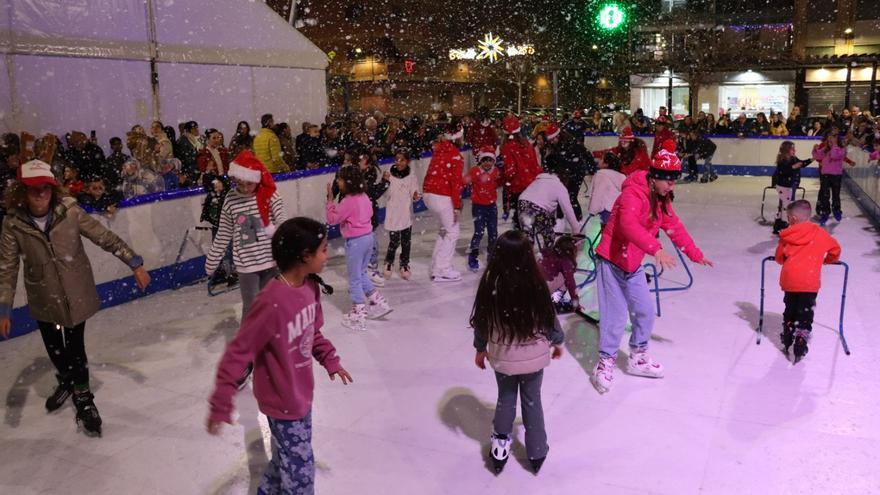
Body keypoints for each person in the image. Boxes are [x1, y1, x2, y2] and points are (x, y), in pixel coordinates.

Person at [0, 159, 150, 436]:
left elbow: (104, 237)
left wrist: (135, 263)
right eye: (33, 189)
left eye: (45, 187)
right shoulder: (14, 223)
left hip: (74, 291)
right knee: (55, 348)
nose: (40, 194)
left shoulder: (69, 211)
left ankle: (84, 398)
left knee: (75, 348)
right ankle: (67, 380)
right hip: (43, 295)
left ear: (52, 188)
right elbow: (7, 267)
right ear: (22, 192)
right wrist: (5, 306)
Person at [207, 217, 352, 494]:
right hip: (280, 399)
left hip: (301, 394)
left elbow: (314, 333)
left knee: (287, 458)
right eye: (322, 249)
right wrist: (221, 401)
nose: (328, 253)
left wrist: (330, 359)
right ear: (304, 256)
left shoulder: (310, 288)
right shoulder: (270, 301)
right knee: (300, 471)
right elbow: (238, 353)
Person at [591, 140, 713, 394]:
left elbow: (674, 227)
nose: (673, 185)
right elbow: (628, 225)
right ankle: (605, 361)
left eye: (675, 180)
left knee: (645, 311)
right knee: (615, 316)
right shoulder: (632, 194)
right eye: (669, 180)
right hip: (612, 261)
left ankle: (638, 355)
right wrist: (655, 249)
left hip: (632, 263)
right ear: (655, 177)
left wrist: (694, 253)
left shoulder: (661, 199)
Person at [470, 230, 564, 475]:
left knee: (506, 399)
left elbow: (482, 321)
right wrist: (558, 342)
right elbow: (549, 319)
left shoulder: (492, 285)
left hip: (503, 358)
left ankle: (500, 448)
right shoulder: (536, 283)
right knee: (532, 401)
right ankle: (536, 449)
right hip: (533, 360)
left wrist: (481, 349)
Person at [205, 151, 286, 324]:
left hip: (270, 261)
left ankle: (273, 338)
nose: (245, 188)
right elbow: (224, 232)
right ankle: (248, 344)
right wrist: (212, 259)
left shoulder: (269, 194)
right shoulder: (231, 199)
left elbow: (283, 224)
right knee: (251, 307)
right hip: (246, 265)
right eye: (240, 184)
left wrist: (289, 250)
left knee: (272, 303)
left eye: (249, 184)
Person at [326, 166, 392, 331]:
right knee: (362, 273)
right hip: (368, 238)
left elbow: (333, 219)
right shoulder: (363, 197)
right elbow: (369, 214)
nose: (338, 182)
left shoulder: (348, 201)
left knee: (354, 278)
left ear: (348, 182)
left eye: (340, 179)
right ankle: (377, 301)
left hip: (356, 242)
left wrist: (329, 202)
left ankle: (359, 312)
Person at [774, 200, 841, 363]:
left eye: (789, 217)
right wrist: (828, 260)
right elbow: (835, 250)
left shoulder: (787, 235)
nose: (788, 220)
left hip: (791, 280)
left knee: (790, 307)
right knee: (805, 312)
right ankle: (801, 340)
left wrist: (787, 259)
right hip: (809, 282)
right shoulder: (820, 234)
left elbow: (779, 257)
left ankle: (788, 329)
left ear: (794, 219)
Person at [422, 122, 466, 282]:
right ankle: (442, 269)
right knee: (453, 232)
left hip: (429, 193)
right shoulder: (455, 155)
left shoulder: (440, 149)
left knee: (444, 230)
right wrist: (456, 207)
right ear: (458, 136)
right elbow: (456, 184)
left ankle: (437, 265)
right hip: (441, 195)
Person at [517, 159, 582, 251]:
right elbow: (568, 210)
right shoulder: (560, 186)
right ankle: (547, 259)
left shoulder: (540, 180)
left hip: (523, 204)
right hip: (538, 209)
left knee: (527, 238)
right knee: (549, 238)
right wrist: (576, 230)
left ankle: (526, 258)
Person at [543, 123, 595, 221]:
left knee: (572, 197)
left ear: (559, 135)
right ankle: (559, 221)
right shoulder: (552, 146)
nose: (552, 141)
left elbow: (586, 154)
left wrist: (592, 169)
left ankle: (578, 222)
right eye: (550, 140)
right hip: (563, 173)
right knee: (560, 197)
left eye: (554, 139)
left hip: (576, 172)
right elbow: (550, 160)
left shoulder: (572, 143)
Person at [382, 151, 420, 281]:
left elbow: (415, 190)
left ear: (408, 161)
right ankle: (389, 261)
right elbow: (386, 194)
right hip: (393, 212)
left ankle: (404, 264)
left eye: (402, 160)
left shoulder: (411, 175)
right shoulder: (389, 175)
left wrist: (415, 195)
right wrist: (385, 182)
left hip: (405, 213)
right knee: (394, 241)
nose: (398, 162)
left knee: (406, 241)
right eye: (397, 159)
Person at [500, 115, 542, 230]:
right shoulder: (527, 144)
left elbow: (510, 171)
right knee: (528, 217)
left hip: (517, 187)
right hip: (531, 185)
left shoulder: (507, 147)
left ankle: (521, 242)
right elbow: (535, 165)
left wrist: (503, 180)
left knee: (520, 219)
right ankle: (529, 239)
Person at [466, 146, 502, 272]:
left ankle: (491, 256)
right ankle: (472, 257)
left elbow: (500, 182)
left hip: (491, 207)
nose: (487, 163)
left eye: (490, 160)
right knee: (479, 232)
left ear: (493, 161)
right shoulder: (474, 171)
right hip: (478, 207)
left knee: (493, 233)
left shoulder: (496, 171)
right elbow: (464, 182)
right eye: (484, 160)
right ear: (480, 160)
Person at [812, 130, 853, 225]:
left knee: (836, 194)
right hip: (825, 174)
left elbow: (835, 156)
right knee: (825, 195)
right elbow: (817, 155)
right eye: (829, 139)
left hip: (836, 175)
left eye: (832, 139)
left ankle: (836, 210)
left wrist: (834, 145)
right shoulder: (826, 149)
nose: (830, 141)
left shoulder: (842, 149)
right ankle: (825, 212)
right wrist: (815, 149)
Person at [771, 141, 812, 234]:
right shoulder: (782, 160)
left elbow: (802, 163)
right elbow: (783, 171)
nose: (794, 150)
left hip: (788, 185)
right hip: (783, 185)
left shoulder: (793, 158)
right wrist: (793, 167)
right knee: (787, 206)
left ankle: (779, 224)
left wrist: (812, 159)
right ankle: (784, 225)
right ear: (787, 150)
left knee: (785, 205)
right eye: (792, 149)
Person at [540, 234, 582, 314]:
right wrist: (576, 303)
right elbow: (571, 284)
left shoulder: (549, 253)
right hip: (543, 291)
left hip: (534, 288)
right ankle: (554, 303)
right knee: (564, 278)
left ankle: (547, 301)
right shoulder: (565, 261)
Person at [588, 149, 626, 225]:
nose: (599, 160)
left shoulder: (601, 175)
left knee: (607, 233)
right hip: (620, 210)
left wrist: (593, 210)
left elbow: (598, 194)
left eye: (601, 159)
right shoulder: (622, 176)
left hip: (607, 209)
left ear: (606, 164)